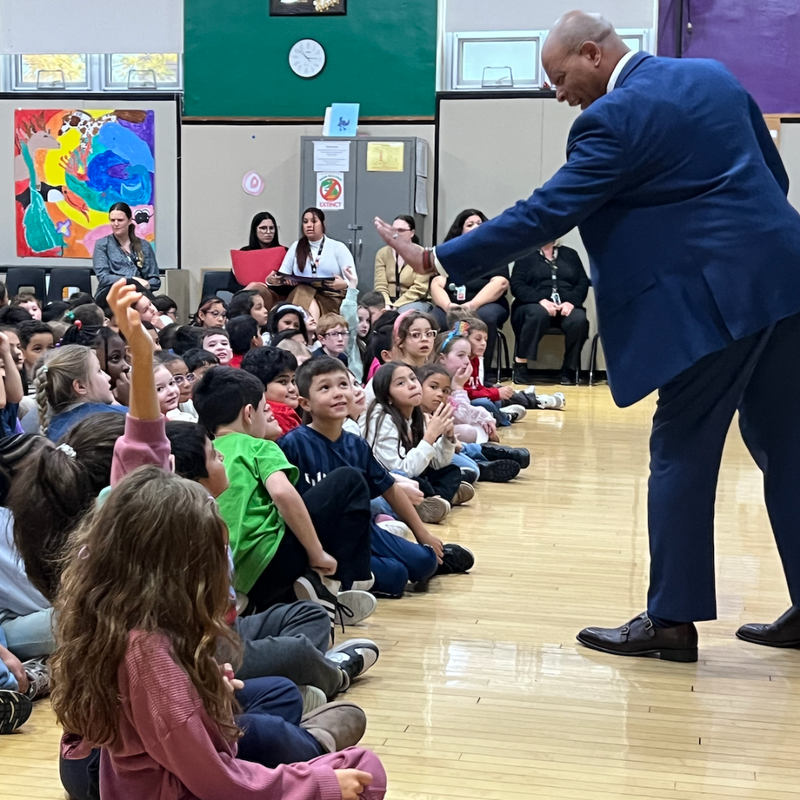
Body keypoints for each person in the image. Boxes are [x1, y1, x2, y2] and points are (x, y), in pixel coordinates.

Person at [376, 10, 800, 660]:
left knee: (681, 446)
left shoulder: (611, 119)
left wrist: (437, 258)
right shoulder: (713, 78)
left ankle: (672, 620)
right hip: (785, 277)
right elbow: (777, 180)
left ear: (594, 54)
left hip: (711, 301)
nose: (558, 92)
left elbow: (547, 211)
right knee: (787, 445)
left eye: (558, 75)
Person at [192, 367, 376, 625]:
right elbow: (282, 492)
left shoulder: (203, 452)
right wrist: (316, 553)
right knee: (349, 481)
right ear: (248, 413)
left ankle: (290, 598)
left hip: (225, 577)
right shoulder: (260, 445)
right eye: (264, 408)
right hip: (270, 562)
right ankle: (335, 583)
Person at [280, 357, 474, 596]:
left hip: (364, 532)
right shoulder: (293, 444)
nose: (338, 393)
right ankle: (322, 579)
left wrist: (423, 534)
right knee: (396, 577)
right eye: (325, 388)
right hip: (320, 537)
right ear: (305, 403)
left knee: (425, 563)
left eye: (343, 385)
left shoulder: (355, 444)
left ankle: (431, 555)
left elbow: (391, 489)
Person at [429, 210, 510, 377]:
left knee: (485, 318)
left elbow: (500, 283)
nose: (475, 227)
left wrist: (471, 306)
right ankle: (437, 370)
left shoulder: (496, 253)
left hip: (486, 304)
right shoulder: (450, 253)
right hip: (452, 305)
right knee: (434, 320)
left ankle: (483, 374)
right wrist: (450, 307)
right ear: (460, 230)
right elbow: (437, 284)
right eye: (470, 224)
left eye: (479, 223)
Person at [511, 241, 591, 385]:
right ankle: (521, 365)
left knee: (579, 319)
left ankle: (569, 368)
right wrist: (540, 300)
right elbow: (517, 285)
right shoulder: (525, 254)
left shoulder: (570, 254)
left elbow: (583, 282)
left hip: (565, 305)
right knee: (537, 314)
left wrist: (571, 302)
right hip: (533, 305)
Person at [270, 208, 352, 318]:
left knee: (303, 293)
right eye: (305, 222)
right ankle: (310, 329)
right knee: (303, 290)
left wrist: (344, 284)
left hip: (330, 296)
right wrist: (273, 280)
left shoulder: (338, 247)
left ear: (323, 224)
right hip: (302, 292)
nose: (309, 225)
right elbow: (283, 274)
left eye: (313, 221)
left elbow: (353, 279)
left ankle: (303, 329)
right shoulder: (296, 246)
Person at [33, 345, 125, 440]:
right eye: (99, 371)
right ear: (80, 386)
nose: (108, 377)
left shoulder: (47, 429)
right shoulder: (119, 417)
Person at [92, 202, 160, 297]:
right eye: (112, 220)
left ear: (129, 221)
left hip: (140, 293)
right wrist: (132, 280)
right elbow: (104, 277)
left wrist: (147, 285)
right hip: (111, 294)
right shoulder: (102, 244)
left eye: (120, 220)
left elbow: (155, 279)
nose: (116, 224)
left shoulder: (144, 246)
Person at [373, 216, 431, 312]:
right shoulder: (382, 253)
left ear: (412, 233)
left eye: (401, 230)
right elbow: (380, 285)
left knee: (402, 313)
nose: (396, 234)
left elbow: (420, 288)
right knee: (371, 311)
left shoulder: (422, 254)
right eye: (393, 230)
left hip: (414, 301)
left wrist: (396, 305)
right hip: (387, 300)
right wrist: (387, 304)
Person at [241, 347, 302, 435]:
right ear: (259, 385)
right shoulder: (282, 415)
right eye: (283, 382)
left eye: (293, 381)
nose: (292, 388)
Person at [229, 211, 287, 293]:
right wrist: (250, 287)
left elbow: (289, 287)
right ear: (255, 231)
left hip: (275, 296)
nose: (268, 232)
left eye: (271, 228)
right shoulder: (244, 252)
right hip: (249, 297)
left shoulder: (284, 252)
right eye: (263, 228)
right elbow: (231, 285)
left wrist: (270, 282)